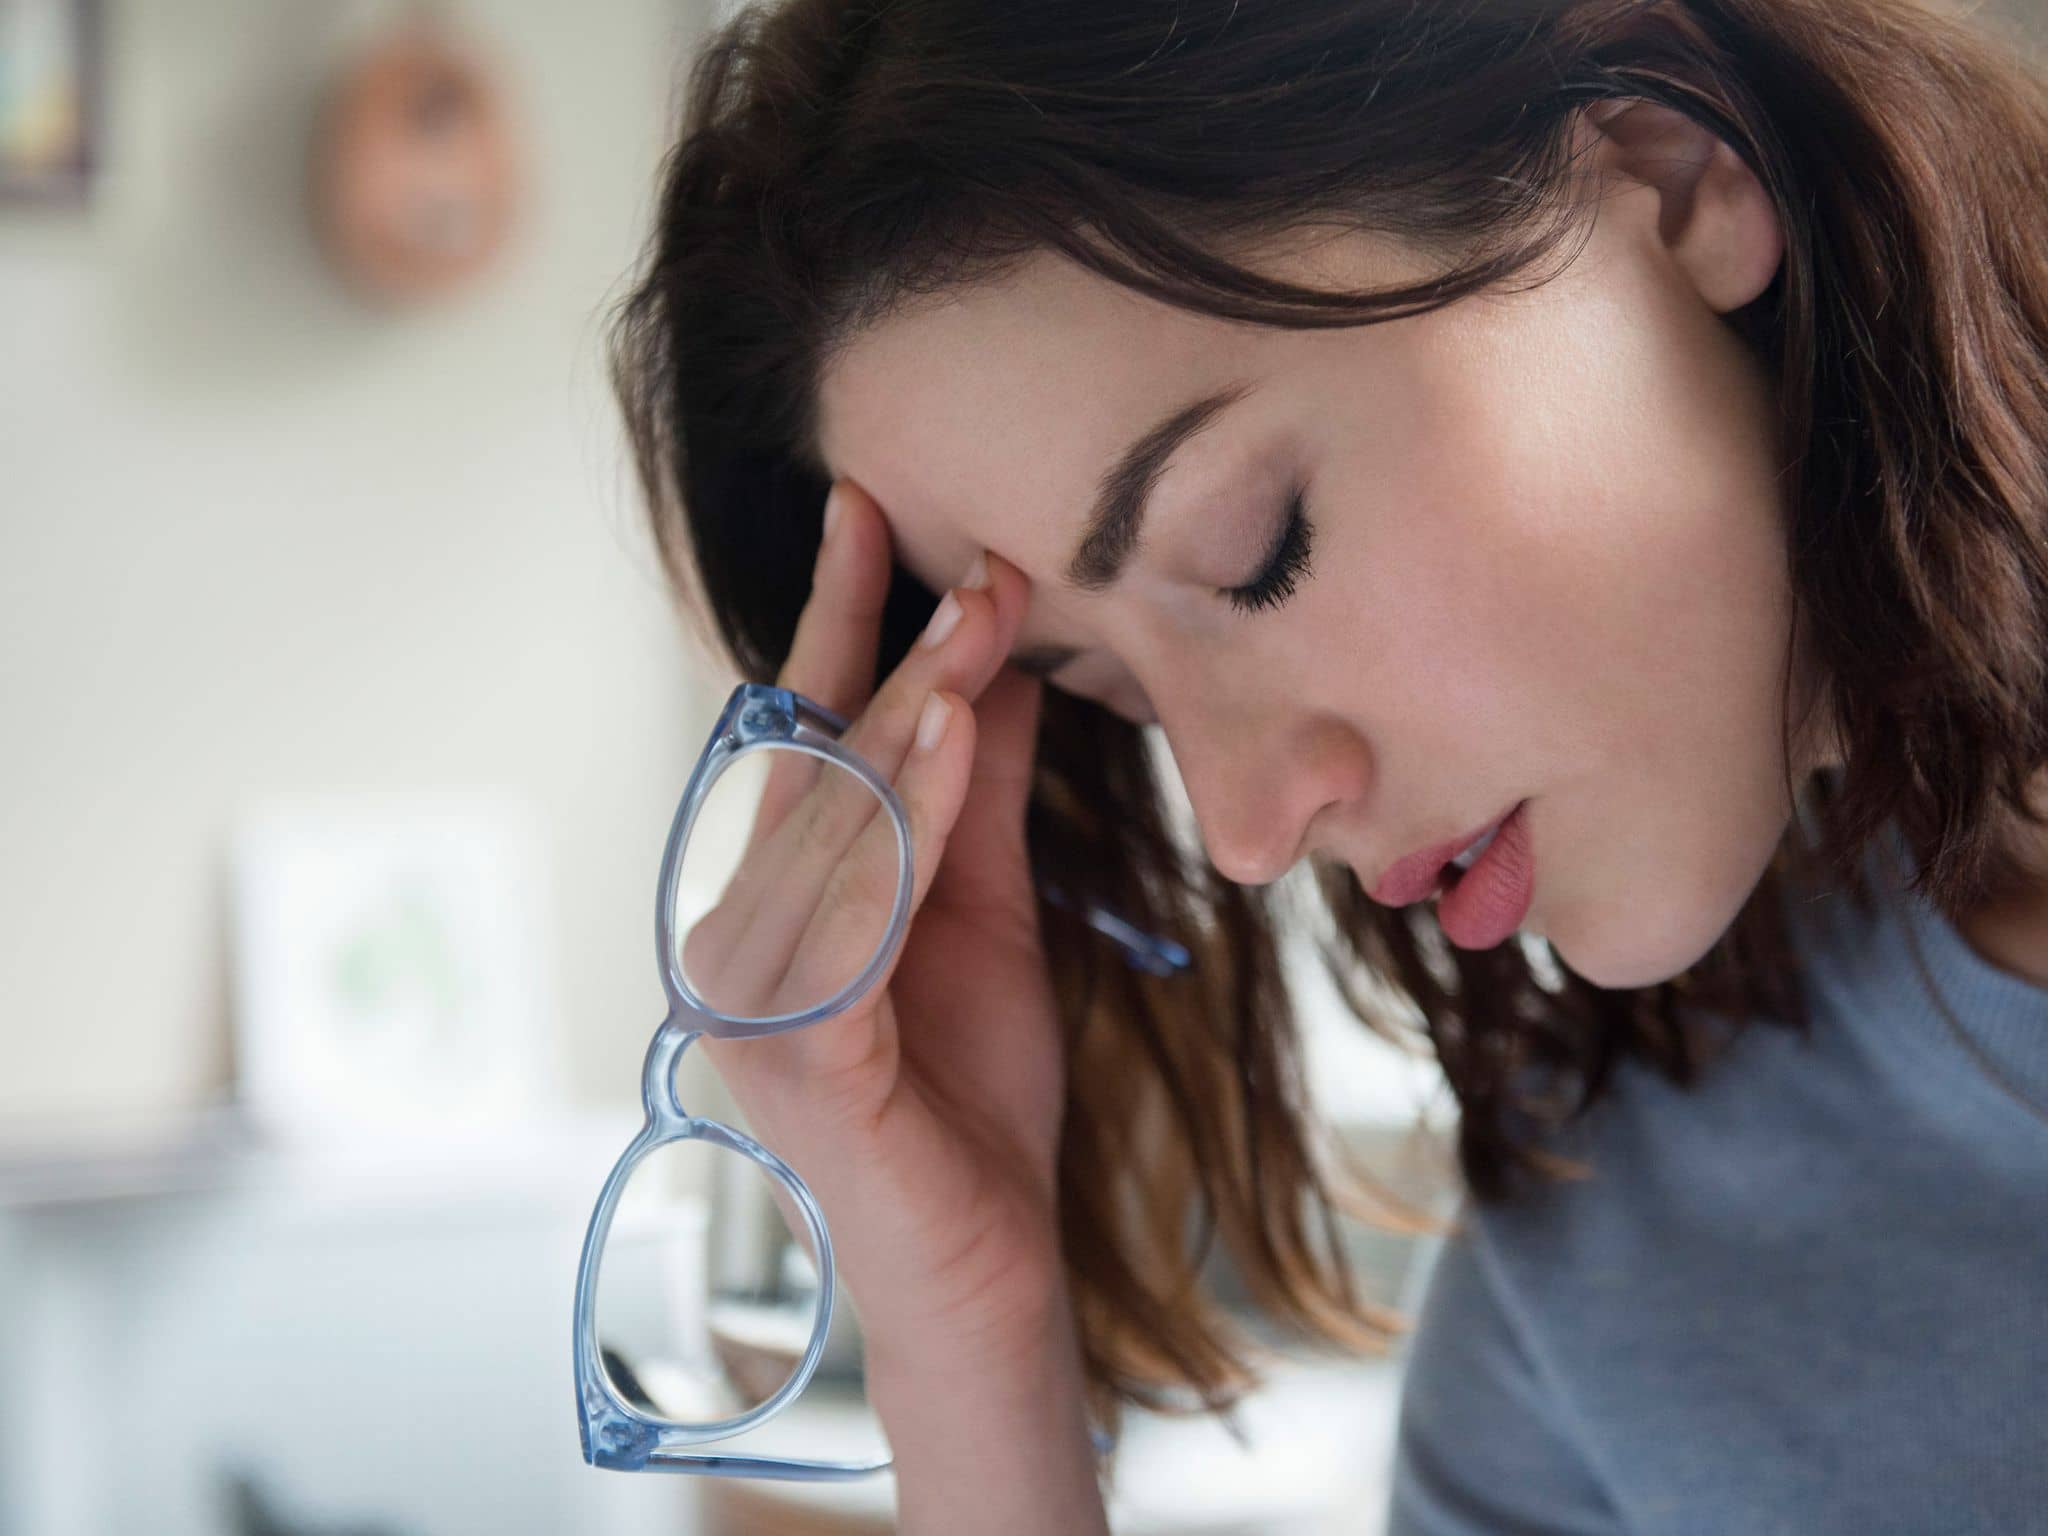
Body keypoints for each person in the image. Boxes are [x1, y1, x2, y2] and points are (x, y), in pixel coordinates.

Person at [605, 0, 2048, 1529]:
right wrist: (976, 1350)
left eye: (1256, 551)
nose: (1243, 829)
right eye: (1101, 688)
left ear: (1673, 164)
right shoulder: (1615, 1273)